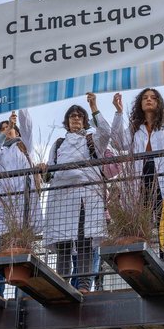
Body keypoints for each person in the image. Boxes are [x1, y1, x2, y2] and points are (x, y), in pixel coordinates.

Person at [41, 93, 111, 293]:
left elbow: (106, 131)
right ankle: (62, 284)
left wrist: (94, 106)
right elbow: (49, 173)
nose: (76, 119)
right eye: (72, 116)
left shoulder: (92, 140)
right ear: (67, 121)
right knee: (63, 243)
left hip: (85, 196)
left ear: (85, 120)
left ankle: (84, 285)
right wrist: (44, 170)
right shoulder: (58, 144)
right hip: (61, 197)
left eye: (79, 116)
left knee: (85, 241)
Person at [111, 88, 164, 272]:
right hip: (141, 179)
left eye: (153, 97)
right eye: (145, 98)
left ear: (159, 102)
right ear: (140, 103)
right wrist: (119, 113)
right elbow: (117, 143)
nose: (149, 100)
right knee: (141, 222)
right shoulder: (134, 129)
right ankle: (146, 270)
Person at [0, 110, 42, 294]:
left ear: (17, 132)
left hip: (23, 203)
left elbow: (27, 126)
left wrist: (21, 106)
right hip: (3, 206)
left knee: (22, 250)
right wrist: (7, 128)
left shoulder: (24, 146)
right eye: (2, 129)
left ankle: (23, 294)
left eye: (10, 128)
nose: (7, 130)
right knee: (0, 250)